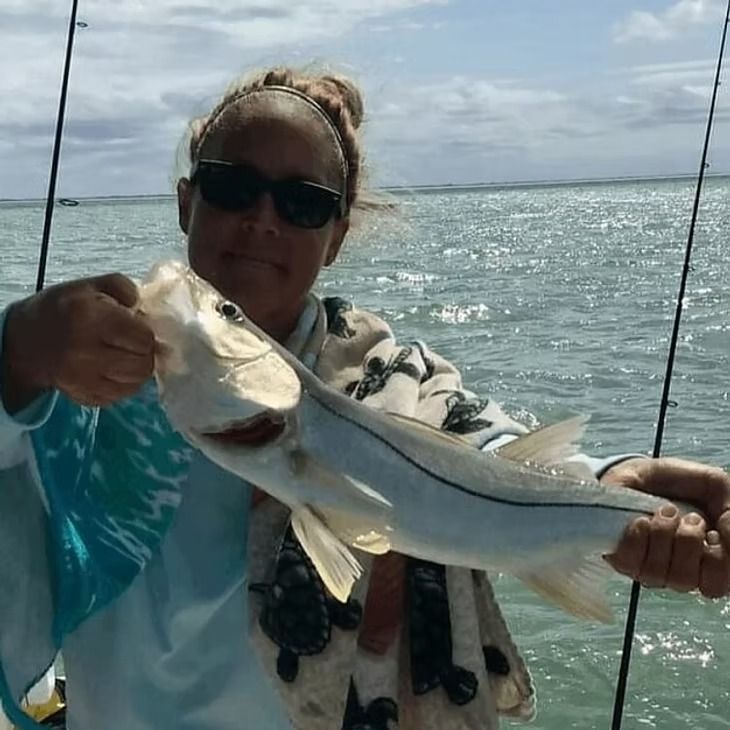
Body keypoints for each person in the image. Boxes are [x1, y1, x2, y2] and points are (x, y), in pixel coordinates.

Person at [1, 66, 729, 730]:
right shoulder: (78, 372)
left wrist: (609, 485)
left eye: (302, 202)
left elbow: (487, 451)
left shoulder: (394, 378)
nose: (263, 218)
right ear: (186, 202)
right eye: (231, 186)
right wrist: (17, 350)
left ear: (338, 236)